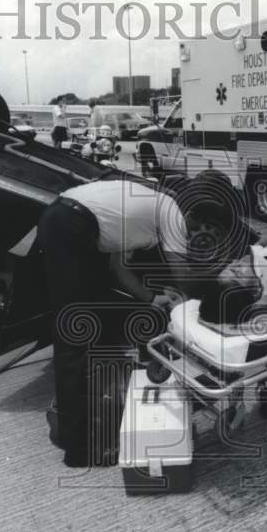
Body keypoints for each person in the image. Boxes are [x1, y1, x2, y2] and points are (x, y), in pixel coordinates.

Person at [38, 177, 193, 467]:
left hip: (65, 219)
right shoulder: (172, 211)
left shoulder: (139, 209)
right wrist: (192, 307)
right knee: (76, 337)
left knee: (93, 328)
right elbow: (182, 272)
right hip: (72, 226)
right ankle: (79, 449)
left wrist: (150, 298)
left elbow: (119, 268)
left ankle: (95, 421)